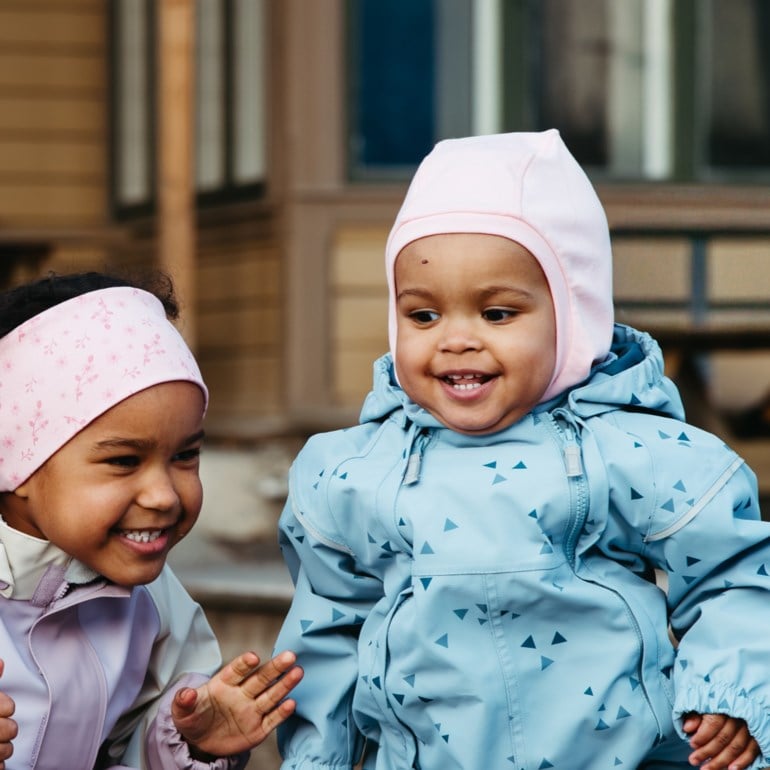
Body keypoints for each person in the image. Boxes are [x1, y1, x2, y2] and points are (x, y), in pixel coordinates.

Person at [273, 130, 770, 770]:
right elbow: (328, 630)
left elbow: (736, 576)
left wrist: (729, 692)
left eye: (497, 314)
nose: (456, 340)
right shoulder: (356, 472)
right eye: (423, 317)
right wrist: (318, 758)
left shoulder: (634, 452)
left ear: (573, 315)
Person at [0, 271, 303, 769]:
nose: (164, 495)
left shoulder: (156, 607)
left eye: (185, 456)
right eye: (123, 461)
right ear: (18, 465)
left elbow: (135, 746)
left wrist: (191, 743)